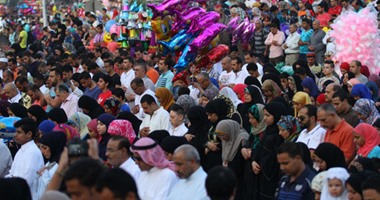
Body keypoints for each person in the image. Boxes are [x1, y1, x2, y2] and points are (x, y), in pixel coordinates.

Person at [252, 102, 287, 199]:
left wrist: (262, 165)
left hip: (271, 177)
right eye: (264, 115)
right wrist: (254, 160)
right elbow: (260, 146)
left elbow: (276, 156)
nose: (264, 118)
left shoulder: (281, 134)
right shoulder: (268, 129)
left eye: (268, 115)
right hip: (260, 175)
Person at [6, 118, 44, 200]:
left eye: (19, 132)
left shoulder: (33, 153)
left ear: (29, 134)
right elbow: (12, 173)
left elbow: (27, 181)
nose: (15, 135)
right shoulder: (21, 150)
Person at [215, 119, 249, 199]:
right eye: (219, 135)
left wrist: (228, 165)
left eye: (222, 135)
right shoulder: (229, 137)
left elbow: (243, 163)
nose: (221, 138)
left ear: (228, 130)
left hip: (241, 181)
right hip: (229, 178)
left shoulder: (243, 139)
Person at [36, 131, 66, 199]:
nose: (42, 151)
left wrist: (45, 173)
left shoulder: (60, 165)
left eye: (45, 148)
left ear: (53, 146)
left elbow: (52, 189)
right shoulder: (50, 162)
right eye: (40, 148)